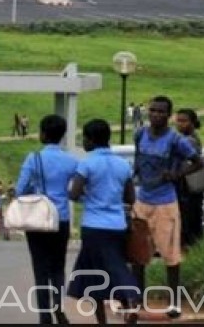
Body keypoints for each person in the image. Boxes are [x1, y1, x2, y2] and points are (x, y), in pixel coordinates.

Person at [130, 96, 203, 318]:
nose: (156, 115)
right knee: (138, 254)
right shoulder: (140, 134)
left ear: (168, 115)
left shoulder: (176, 140)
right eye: (153, 110)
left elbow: (198, 162)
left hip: (165, 203)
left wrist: (176, 174)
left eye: (161, 112)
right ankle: (137, 298)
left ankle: (174, 303)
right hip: (143, 200)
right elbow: (138, 158)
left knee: (171, 254)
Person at [67, 119, 139, 325]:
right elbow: (130, 198)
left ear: (90, 140)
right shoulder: (122, 165)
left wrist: (88, 197)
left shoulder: (87, 163)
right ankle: (128, 305)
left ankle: (112, 314)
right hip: (117, 225)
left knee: (94, 276)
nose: (83, 143)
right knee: (116, 264)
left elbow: (74, 193)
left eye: (84, 139)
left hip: (93, 226)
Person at [15, 114, 79, 325]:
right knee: (58, 267)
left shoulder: (33, 159)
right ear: (62, 135)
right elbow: (77, 189)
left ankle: (45, 316)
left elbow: (20, 190)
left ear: (42, 133)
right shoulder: (71, 160)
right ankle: (59, 306)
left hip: (38, 220)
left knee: (40, 268)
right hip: (61, 218)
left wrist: (36, 189)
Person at [174, 108, 204, 249]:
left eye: (184, 121)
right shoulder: (187, 138)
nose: (180, 124)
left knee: (188, 225)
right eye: (178, 121)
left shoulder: (189, 140)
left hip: (188, 188)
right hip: (188, 188)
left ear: (192, 122)